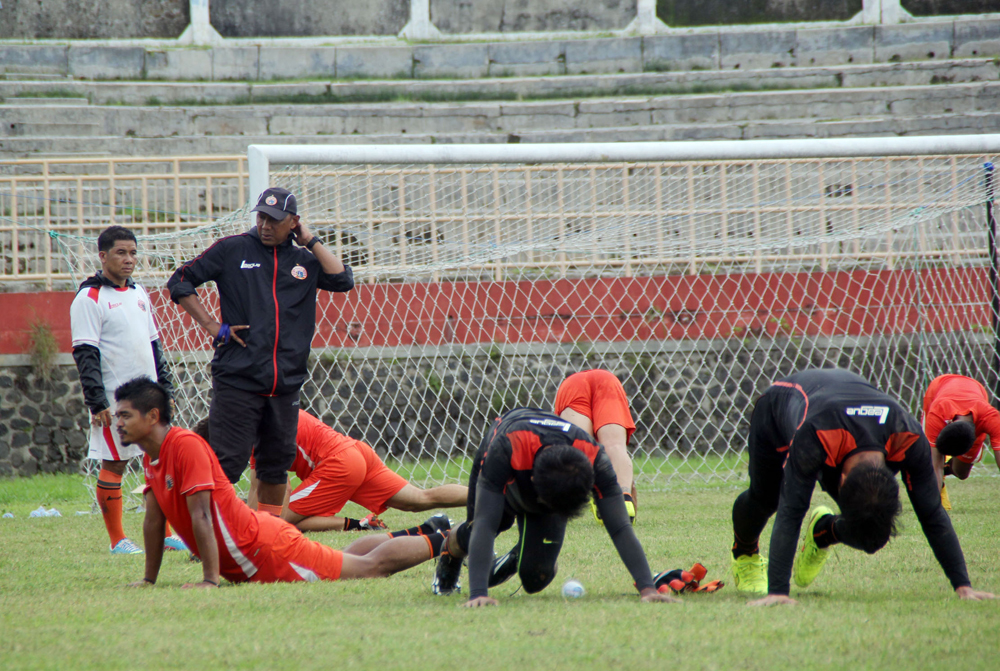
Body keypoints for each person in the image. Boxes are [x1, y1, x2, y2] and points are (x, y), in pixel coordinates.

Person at [113, 377, 451, 588]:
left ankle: (452, 540)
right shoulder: (152, 456)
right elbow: (154, 520)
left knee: (368, 569)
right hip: (266, 535)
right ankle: (427, 529)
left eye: (125, 415)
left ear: (153, 416)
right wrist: (148, 579)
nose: (118, 423)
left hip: (266, 550)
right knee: (348, 551)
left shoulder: (185, 445)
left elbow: (203, 515)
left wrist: (208, 580)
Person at [729, 368, 996, 605]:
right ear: (840, 482)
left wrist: (963, 586)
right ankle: (745, 555)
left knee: (873, 532)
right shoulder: (815, 437)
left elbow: (932, 512)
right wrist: (778, 591)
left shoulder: (908, 436)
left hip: (846, 424)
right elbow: (791, 510)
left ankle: (823, 531)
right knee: (767, 498)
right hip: (780, 407)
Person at [165, 187, 354, 517]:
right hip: (238, 379)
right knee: (227, 463)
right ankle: (209, 537)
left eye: (275, 219)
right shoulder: (233, 249)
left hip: (285, 386)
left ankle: (266, 535)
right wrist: (211, 324)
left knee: (275, 467)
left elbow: (342, 281)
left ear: (293, 222)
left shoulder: (304, 261)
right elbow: (180, 280)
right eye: (261, 217)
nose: (265, 225)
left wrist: (309, 240)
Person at [431, 407, 679, 607]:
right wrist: (478, 594)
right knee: (491, 525)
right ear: (533, 484)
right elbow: (484, 524)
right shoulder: (506, 448)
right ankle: (449, 550)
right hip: (506, 450)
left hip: (547, 472)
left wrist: (647, 588)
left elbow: (620, 527)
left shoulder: (595, 460)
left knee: (534, 579)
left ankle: (522, 552)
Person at [70, 225, 182, 555]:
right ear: (103, 256)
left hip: (150, 400)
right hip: (115, 403)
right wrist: (97, 401)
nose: (128, 259)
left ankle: (167, 532)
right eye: (121, 252)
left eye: (133, 252)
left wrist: (166, 389)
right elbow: (85, 353)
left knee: (159, 462)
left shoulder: (139, 293)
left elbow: (154, 345)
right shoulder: (89, 298)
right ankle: (118, 540)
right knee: (115, 464)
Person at [192, 410, 468, 532]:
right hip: (355, 451)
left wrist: (240, 530)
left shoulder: (253, 435)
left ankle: (358, 525)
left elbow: (269, 489)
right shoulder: (263, 417)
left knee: (274, 525)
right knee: (419, 500)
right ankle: (490, 493)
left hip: (339, 463)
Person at [554, 369, 638, 522]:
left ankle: (598, 495)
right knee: (615, 446)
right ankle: (624, 499)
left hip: (572, 384)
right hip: (606, 379)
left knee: (583, 448)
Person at [921, 375, 1000, 502]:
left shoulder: (991, 418)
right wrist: (933, 506)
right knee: (929, 456)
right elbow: (935, 465)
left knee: (961, 473)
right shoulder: (937, 412)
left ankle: (948, 468)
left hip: (976, 389)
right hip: (938, 387)